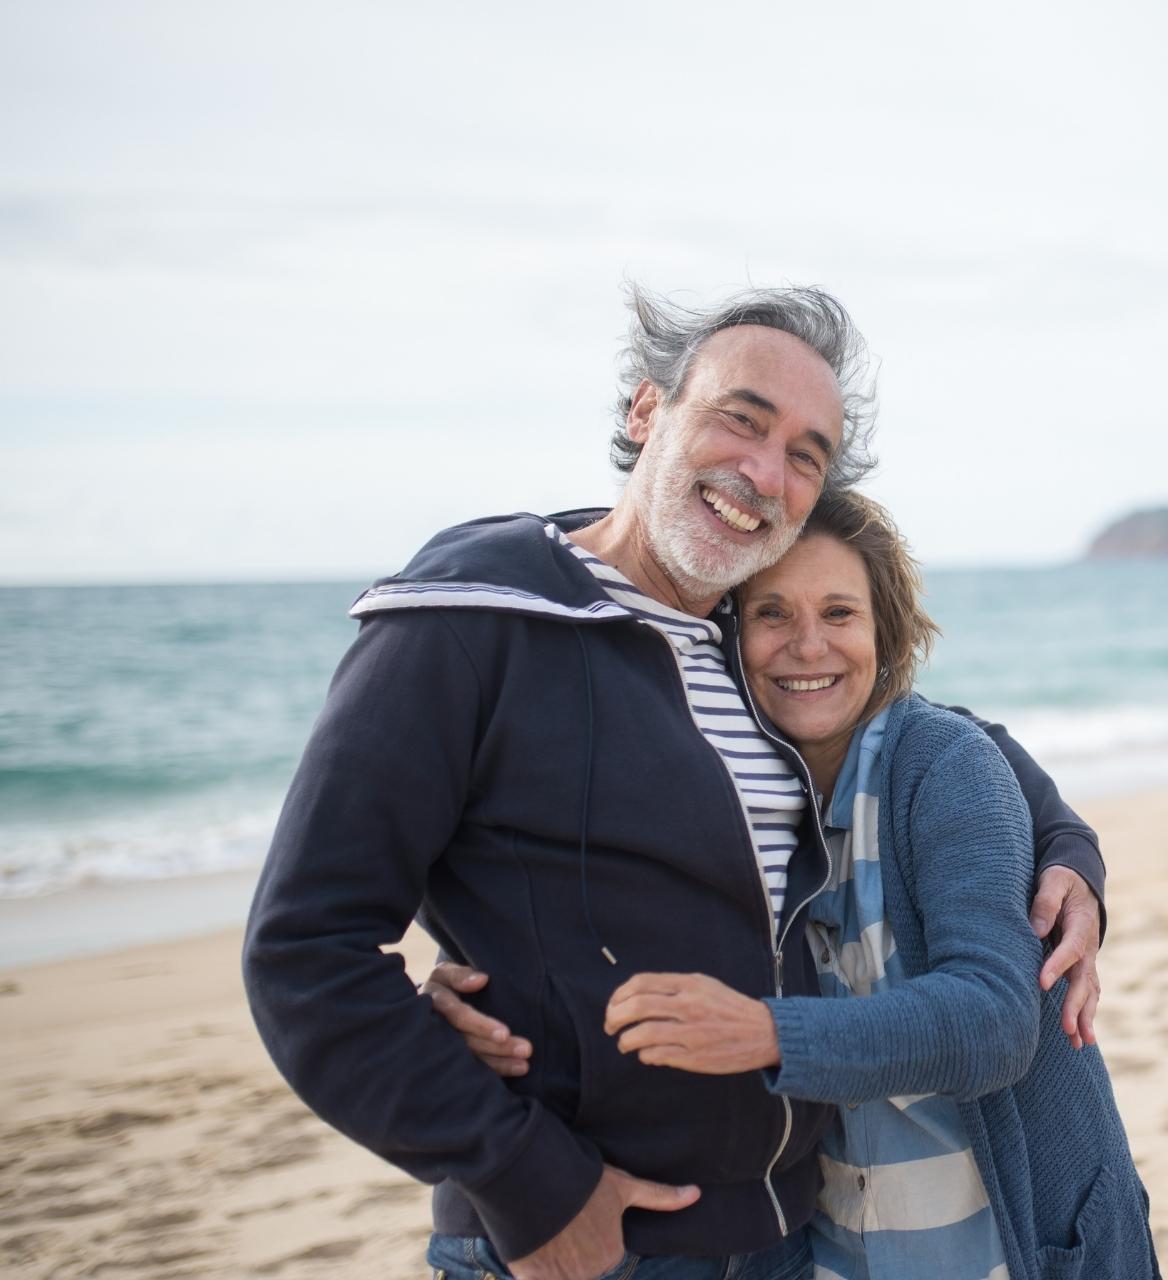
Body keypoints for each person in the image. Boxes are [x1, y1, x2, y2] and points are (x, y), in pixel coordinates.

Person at [241, 285, 1108, 1280]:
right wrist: (526, 1182)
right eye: (742, 419)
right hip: (593, 1239)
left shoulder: (744, 634)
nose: (765, 472)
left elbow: (934, 734)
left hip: (787, 1234)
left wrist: (1068, 850)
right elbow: (304, 952)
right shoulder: (472, 620)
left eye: (806, 455)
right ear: (647, 409)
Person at [445, 490, 1159, 1280]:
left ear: (885, 631)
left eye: (840, 613)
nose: (808, 646)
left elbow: (996, 1021)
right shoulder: (725, 789)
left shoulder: (943, 766)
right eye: (772, 614)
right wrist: (482, 983)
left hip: (1009, 1244)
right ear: (726, 635)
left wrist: (769, 1034)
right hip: (834, 1252)